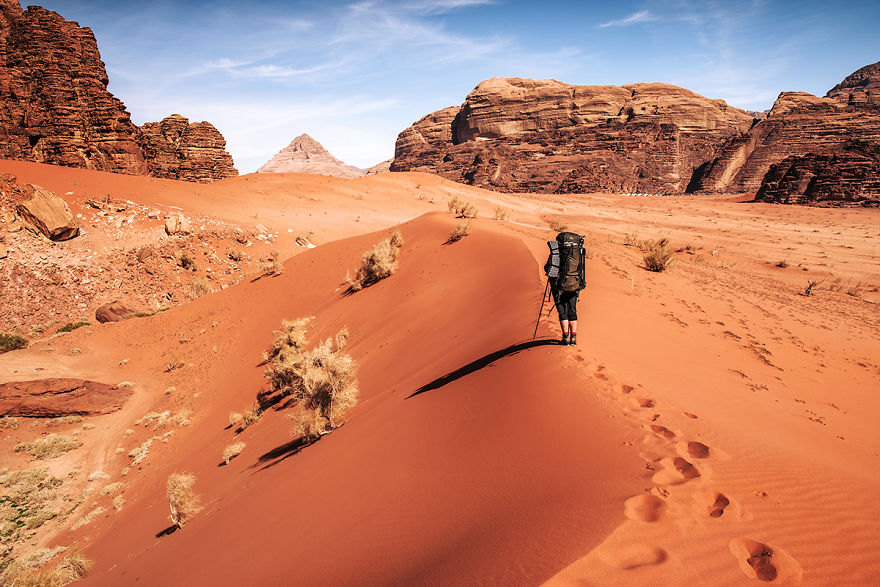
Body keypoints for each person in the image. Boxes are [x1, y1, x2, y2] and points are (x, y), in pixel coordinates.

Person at [544, 231, 586, 346]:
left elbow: (549, 267)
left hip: (559, 287)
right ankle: (574, 337)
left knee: (562, 311)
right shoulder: (577, 252)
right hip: (574, 284)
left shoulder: (557, 252)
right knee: (572, 311)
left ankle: (565, 337)